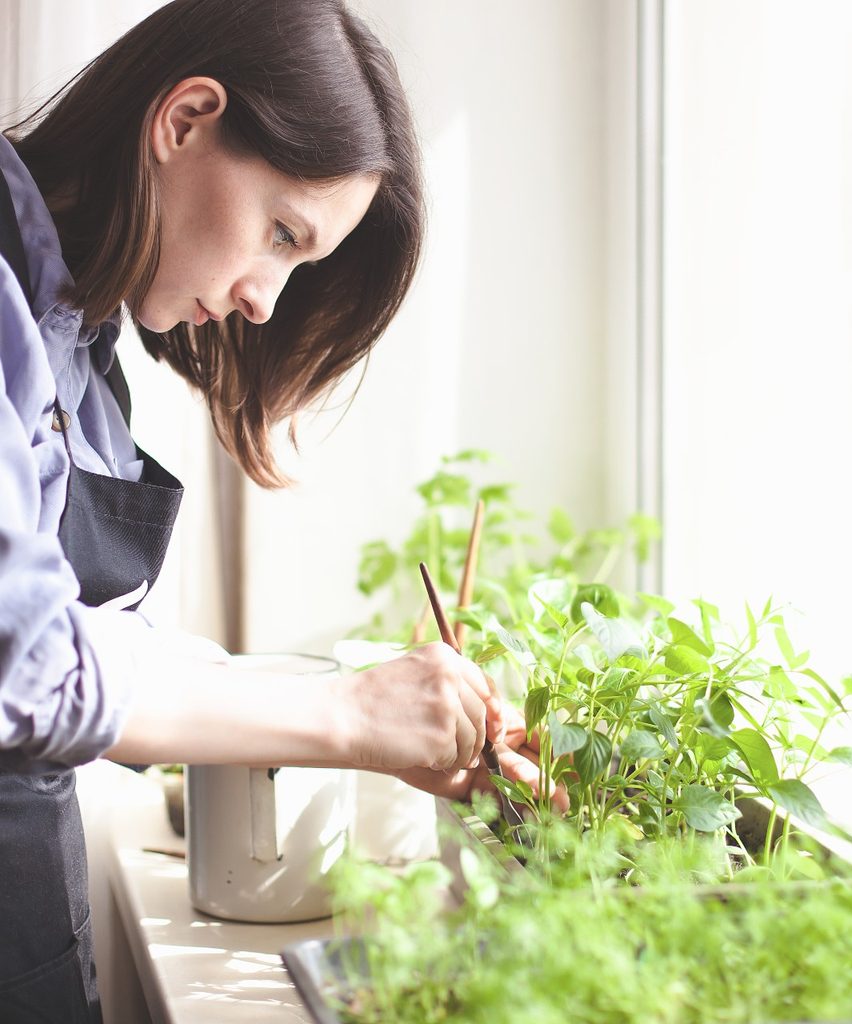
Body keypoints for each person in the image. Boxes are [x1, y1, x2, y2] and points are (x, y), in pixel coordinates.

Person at [0, 2, 552, 1020]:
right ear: (185, 120)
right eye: (281, 234)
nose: (265, 300)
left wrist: (391, 707)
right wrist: (349, 715)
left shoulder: (79, 344)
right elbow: (23, 670)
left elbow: (106, 663)